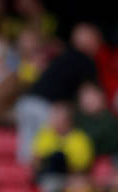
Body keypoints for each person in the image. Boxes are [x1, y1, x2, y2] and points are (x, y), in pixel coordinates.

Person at [15, 23, 100, 162]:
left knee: (27, 152)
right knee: (46, 147)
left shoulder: (64, 55)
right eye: (95, 39)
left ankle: (28, 179)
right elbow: (88, 93)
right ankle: (41, 177)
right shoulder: (86, 61)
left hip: (25, 103)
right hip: (44, 106)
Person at [74, 82, 118, 157]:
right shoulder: (79, 121)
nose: (89, 101)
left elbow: (115, 141)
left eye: (92, 97)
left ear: (101, 96)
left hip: (113, 156)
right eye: (85, 99)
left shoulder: (109, 118)